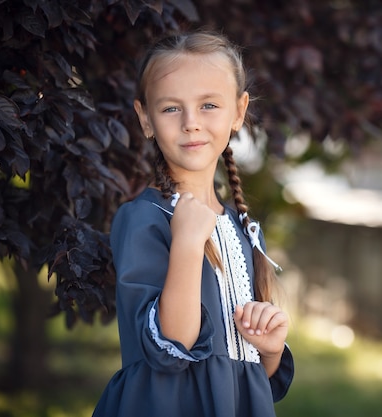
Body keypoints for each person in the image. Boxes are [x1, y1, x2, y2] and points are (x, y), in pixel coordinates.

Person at [92, 31, 294, 417]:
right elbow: (170, 348)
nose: (190, 123)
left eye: (208, 105)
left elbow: (250, 372)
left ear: (238, 111)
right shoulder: (144, 219)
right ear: (145, 118)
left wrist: (270, 348)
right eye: (171, 109)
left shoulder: (244, 228)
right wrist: (186, 243)